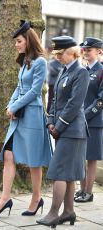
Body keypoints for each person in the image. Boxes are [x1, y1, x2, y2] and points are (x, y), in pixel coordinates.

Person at [0, 20, 53, 216]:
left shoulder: (40, 61)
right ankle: (4, 199)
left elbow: (34, 91)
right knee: (8, 154)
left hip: (32, 116)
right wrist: (10, 105)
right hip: (19, 117)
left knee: (34, 161)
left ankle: (36, 199)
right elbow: (19, 87)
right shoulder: (25, 62)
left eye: (18, 41)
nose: (16, 45)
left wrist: (15, 106)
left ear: (28, 40)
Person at [36, 36, 89, 228]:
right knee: (67, 173)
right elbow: (54, 98)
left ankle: (53, 213)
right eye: (56, 53)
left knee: (59, 171)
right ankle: (68, 212)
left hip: (73, 130)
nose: (57, 57)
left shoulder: (80, 73)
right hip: (64, 129)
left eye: (61, 54)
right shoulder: (64, 71)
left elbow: (74, 104)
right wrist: (51, 121)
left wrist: (59, 126)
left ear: (73, 53)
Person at [74, 37, 103, 203]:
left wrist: (84, 115)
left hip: (94, 121)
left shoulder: (101, 71)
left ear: (99, 51)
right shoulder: (81, 70)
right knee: (80, 156)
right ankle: (81, 189)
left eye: (89, 50)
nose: (85, 52)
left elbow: (100, 100)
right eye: (83, 50)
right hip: (80, 119)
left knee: (91, 158)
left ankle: (89, 192)